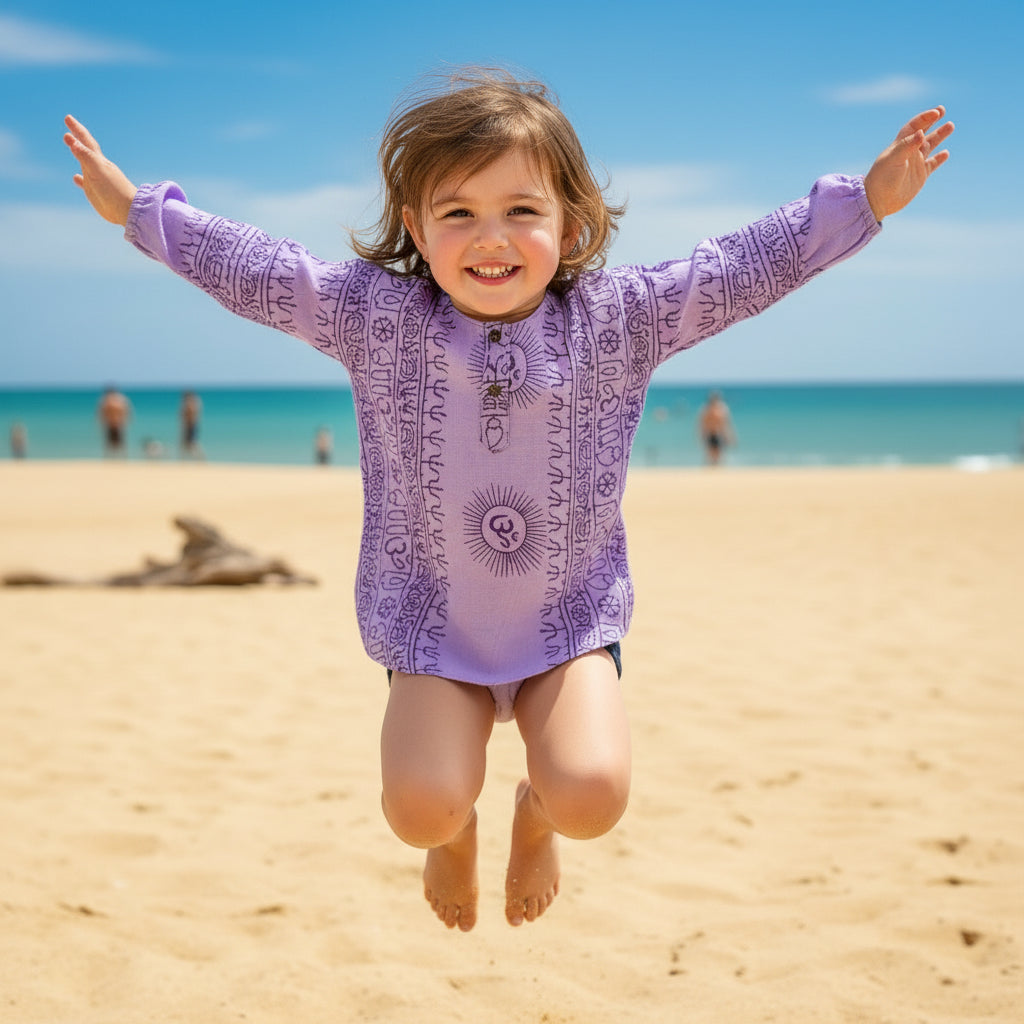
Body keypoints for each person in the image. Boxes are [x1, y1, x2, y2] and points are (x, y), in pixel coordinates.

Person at [62, 70, 952, 932]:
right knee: (420, 808)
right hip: (431, 626)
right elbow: (258, 268)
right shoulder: (376, 316)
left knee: (592, 796)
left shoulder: (621, 317)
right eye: (458, 213)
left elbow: (737, 270)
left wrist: (863, 203)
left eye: (521, 211)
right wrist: (140, 211)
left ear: (571, 227)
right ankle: (455, 837)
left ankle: (534, 811)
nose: (490, 237)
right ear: (416, 226)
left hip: (566, 624)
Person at [698, 389, 736, 466]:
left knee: (719, 455)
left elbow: (727, 424)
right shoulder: (706, 409)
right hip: (710, 434)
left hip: (720, 434)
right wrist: (702, 434)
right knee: (711, 454)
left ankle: (718, 470)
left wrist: (730, 436)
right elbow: (702, 424)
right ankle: (711, 469)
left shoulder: (723, 409)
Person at [97, 386, 132, 457]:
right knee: (112, 442)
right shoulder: (116, 400)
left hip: (116, 423)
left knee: (118, 442)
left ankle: (119, 457)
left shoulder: (111, 401)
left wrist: (124, 421)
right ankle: (114, 457)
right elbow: (102, 413)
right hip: (113, 423)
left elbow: (126, 411)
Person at [180, 389, 203, 459]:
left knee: (192, 443)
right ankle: (183, 460)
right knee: (187, 444)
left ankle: (200, 458)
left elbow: (191, 416)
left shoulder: (191, 403)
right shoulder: (193, 403)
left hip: (191, 426)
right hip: (190, 426)